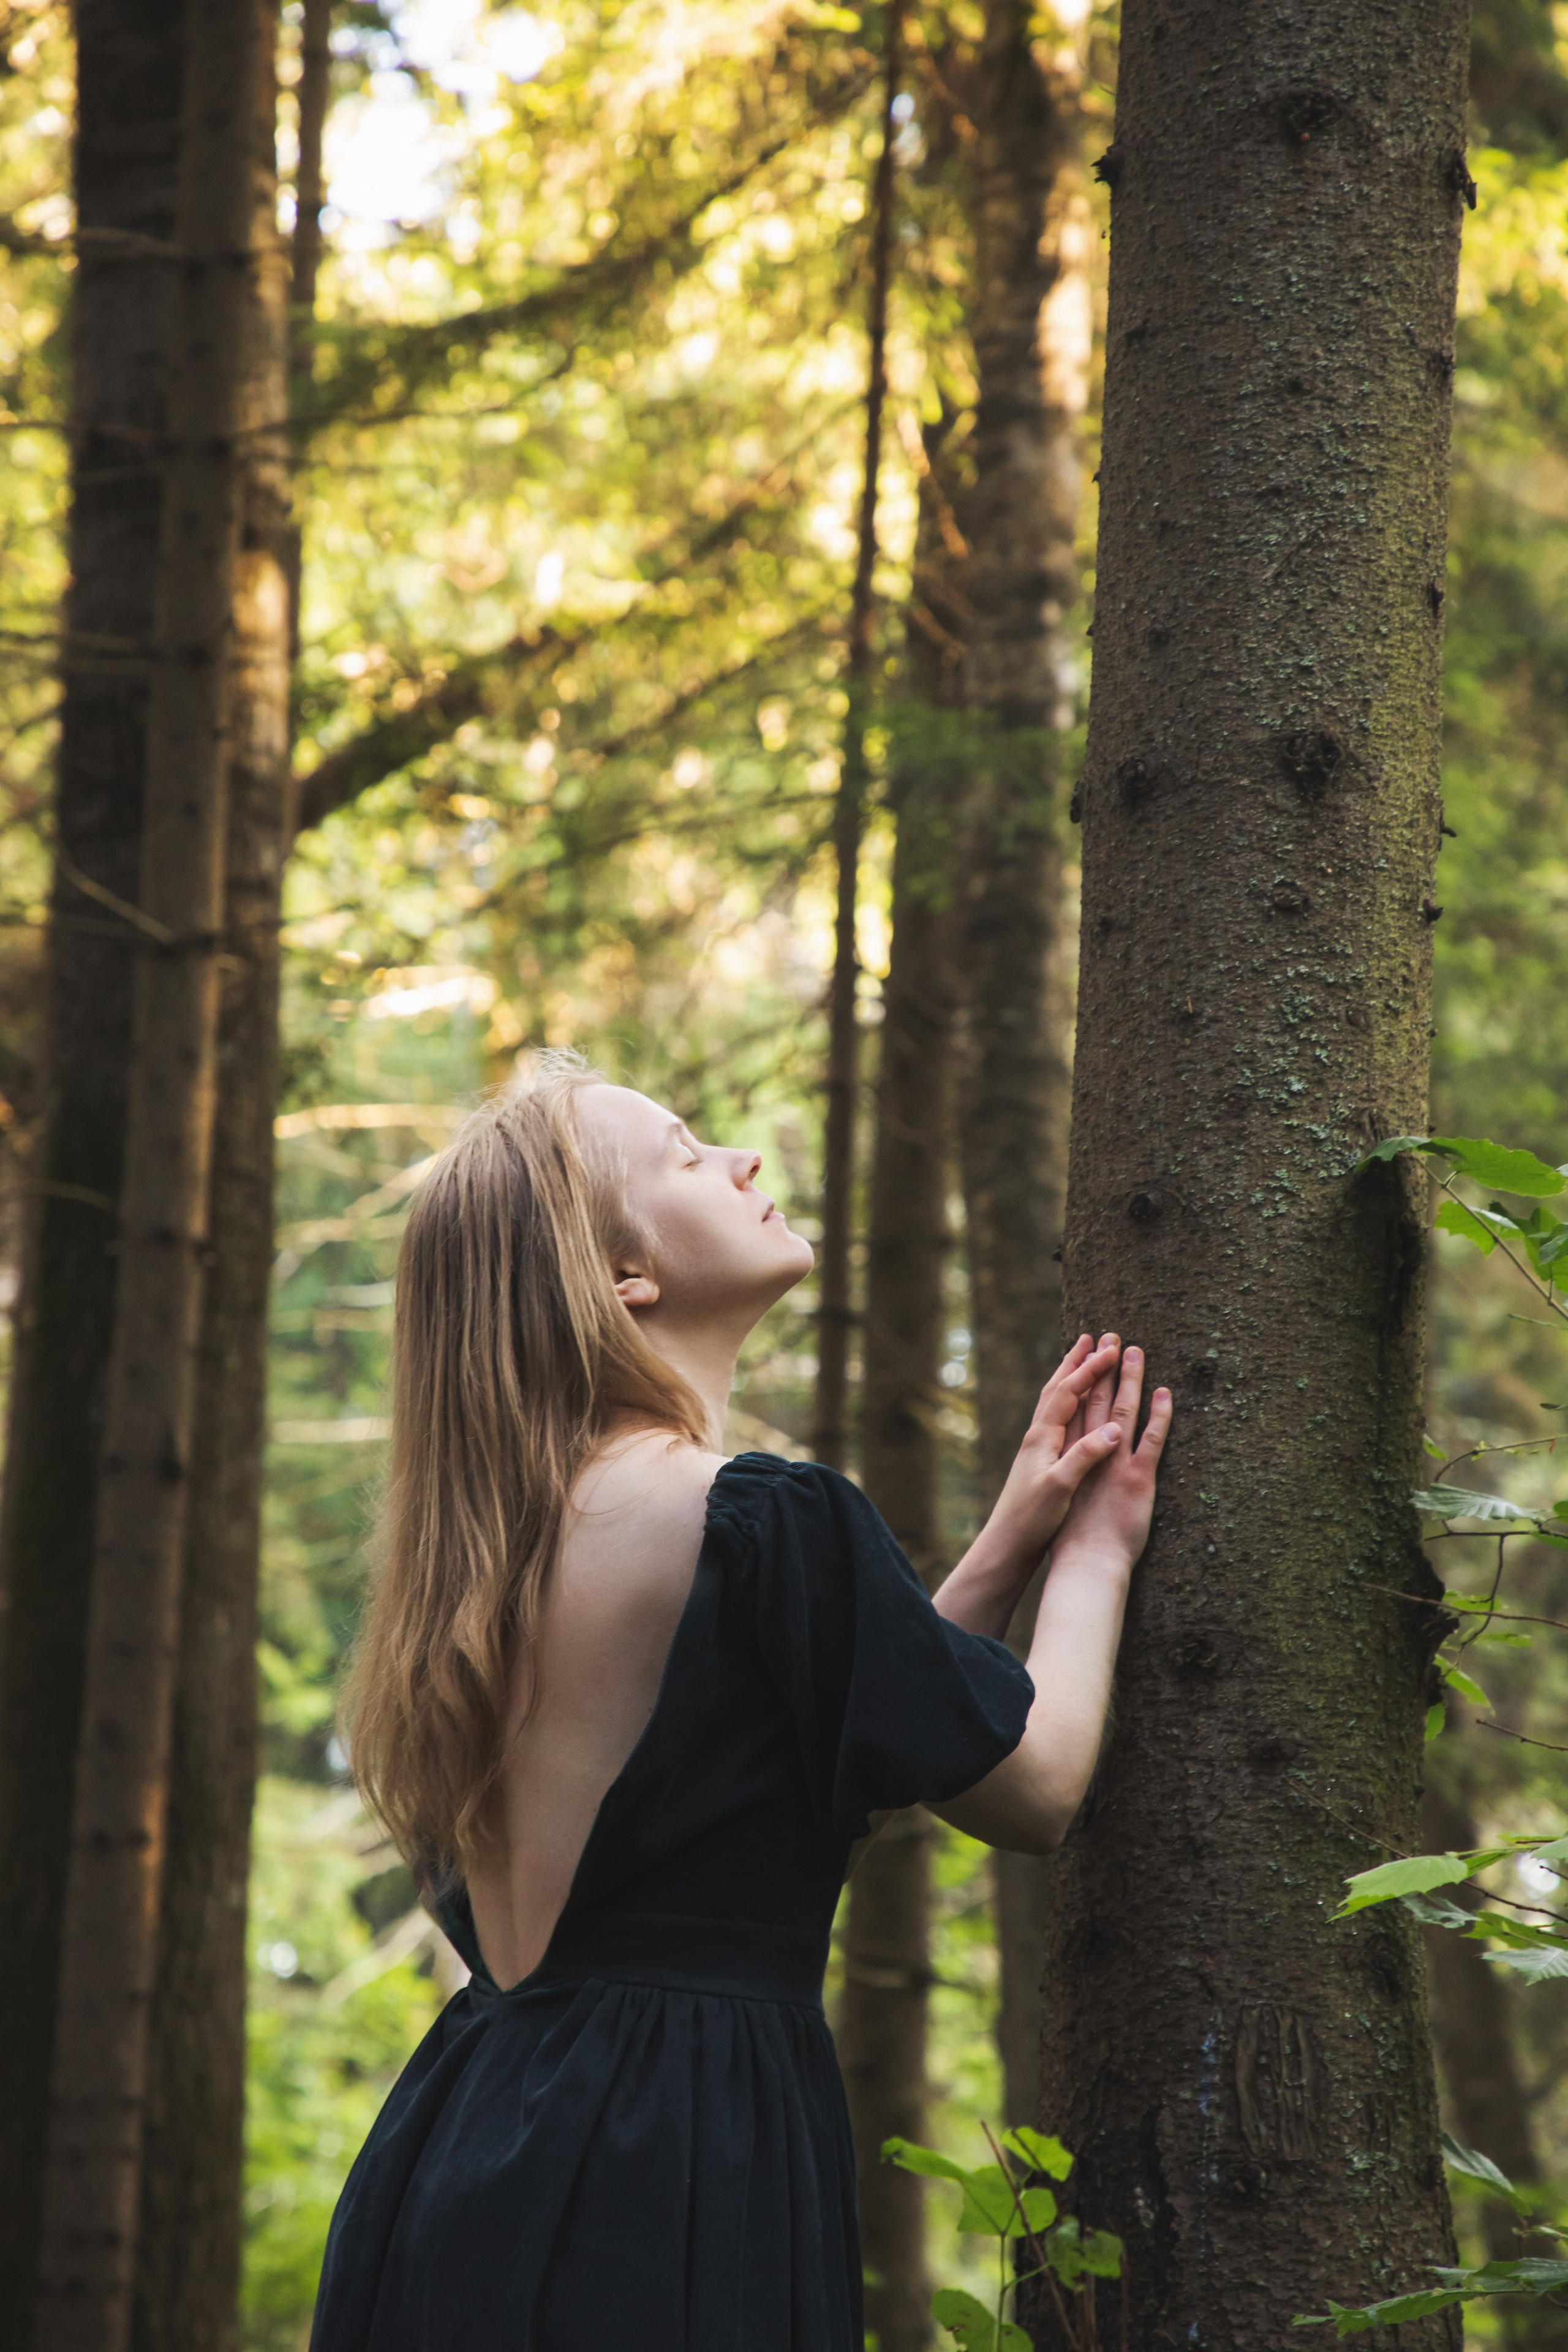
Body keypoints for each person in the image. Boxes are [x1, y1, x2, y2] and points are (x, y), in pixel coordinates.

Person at [310, 1050, 1171, 2351]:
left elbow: (765, 1805)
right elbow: (1038, 1784)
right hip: (678, 2160)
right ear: (619, 1277)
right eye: (684, 1152)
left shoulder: (476, 1582)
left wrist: (1002, 1546)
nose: (741, 1162)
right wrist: (1099, 1549)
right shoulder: (765, 1516)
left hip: (459, 2150)